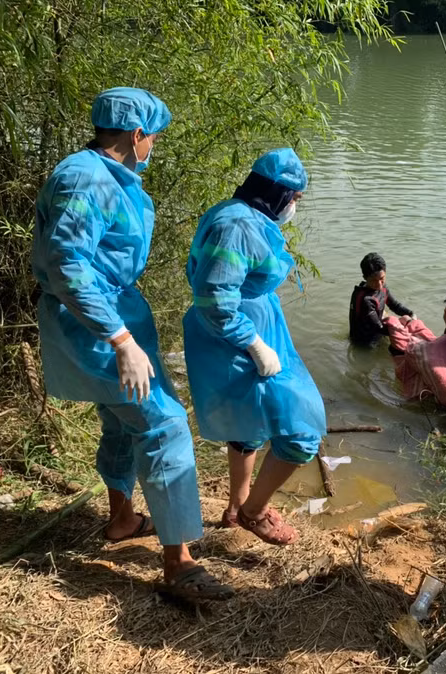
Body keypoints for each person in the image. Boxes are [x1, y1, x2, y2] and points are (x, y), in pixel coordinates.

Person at [31, 87, 232, 600]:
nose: (154, 149)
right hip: (96, 321)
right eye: (154, 139)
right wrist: (120, 338)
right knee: (164, 424)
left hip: (114, 311)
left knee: (122, 420)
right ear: (138, 134)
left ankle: (122, 519)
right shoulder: (87, 178)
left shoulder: (105, 175)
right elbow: (67, 265)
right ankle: (180, 564)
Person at [183, 148, 326, 545]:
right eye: (295, 198)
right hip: (234, 337)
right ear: (278, 194)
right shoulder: (237, 226)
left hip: (252, 326)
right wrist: (255, 345)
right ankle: (254, 512)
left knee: (248, 423)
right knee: (301, 432)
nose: (295, 206)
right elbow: (213, 296)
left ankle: (236, 505)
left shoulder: (239, 214)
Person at [349, 253, 415, 347]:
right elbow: (377, 327)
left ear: (385, 272)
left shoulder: (382, 288)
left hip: (378, 330)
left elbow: (394, 305)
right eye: (374, 281)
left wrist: (411, 314)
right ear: (365, 278)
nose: (379, 284)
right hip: (365, 342)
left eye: (382, 278)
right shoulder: (365, 300)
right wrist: (404, 328)